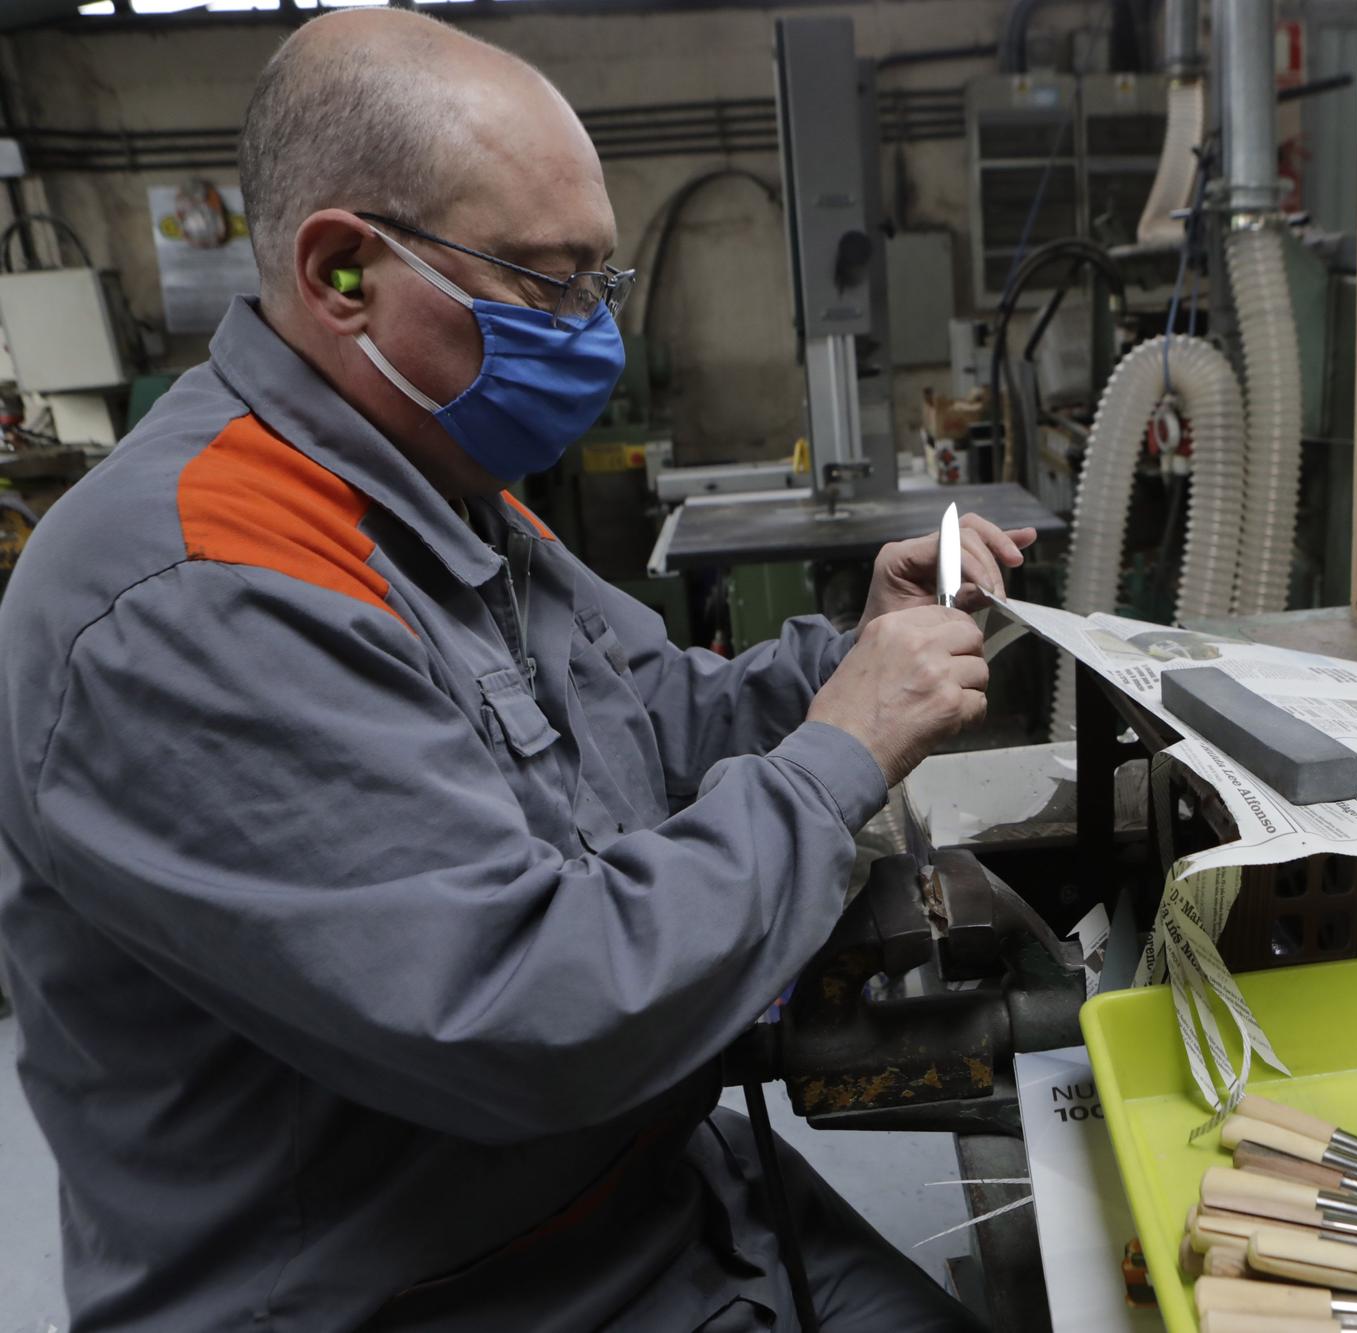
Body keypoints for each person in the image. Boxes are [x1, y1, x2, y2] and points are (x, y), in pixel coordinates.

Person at [0, 10, 1028, 1331]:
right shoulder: (195, 591)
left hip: (650, 1204)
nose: (592, 335)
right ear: (343, 274)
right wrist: (840, 754)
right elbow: (544, 1010)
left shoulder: (442, 489)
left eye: (598, 280)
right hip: (438, 1291)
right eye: (548, 281)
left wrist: (854, 654)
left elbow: (659, 723)